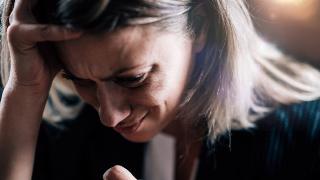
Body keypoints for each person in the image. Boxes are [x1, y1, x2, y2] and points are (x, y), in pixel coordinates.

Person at [0, 0, 320, 180]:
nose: (109, 115)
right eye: (81, 80)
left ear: (200, 29)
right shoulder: (65, 132)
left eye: (133, 78)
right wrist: (25, 92)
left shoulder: (307, 139)